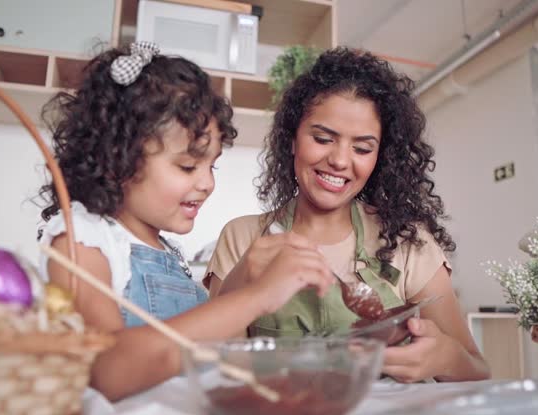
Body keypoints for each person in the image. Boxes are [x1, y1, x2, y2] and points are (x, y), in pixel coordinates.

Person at [38, 42, 335, 401]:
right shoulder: (82, 241)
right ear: (117, 160)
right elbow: (107, 370)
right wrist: (257, 297)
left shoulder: (166, 252)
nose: (207, 183)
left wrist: (247, 274)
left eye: (212, 166)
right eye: (188, 166)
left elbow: (202, 339)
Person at [205, 47, 490, 383]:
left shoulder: (406, 241)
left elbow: (479, 373)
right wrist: (245, 283)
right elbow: (217, 368)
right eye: (323, 138)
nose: (340, 161)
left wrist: (445, 357)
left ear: (380, 157)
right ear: (292, 139)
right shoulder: (243, 238)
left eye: (362, 148)